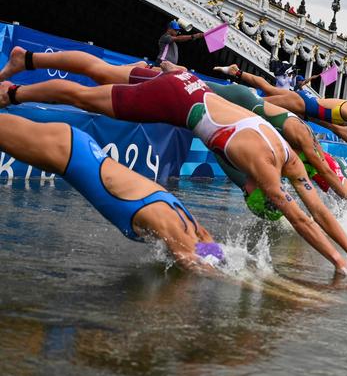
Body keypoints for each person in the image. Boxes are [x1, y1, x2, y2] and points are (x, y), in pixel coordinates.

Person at [0, 47, 347, 277]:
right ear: (259, 187)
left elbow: (316, 214)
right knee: (85, 98)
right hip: (177, 100)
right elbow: (302, 219)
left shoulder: (286, 153)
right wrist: (341, 265)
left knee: (100, 74)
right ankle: (12, 94)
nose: (246, 192)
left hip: (192, 86)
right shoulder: (262, 167)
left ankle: (29, 61)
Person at [0, 113, 224, 274]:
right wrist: (244, 286)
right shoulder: (175, 228)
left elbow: (213, 250)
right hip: (68, 153)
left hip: (76, 150)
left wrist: (229, 267)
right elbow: (192, 265)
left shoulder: (195, 228)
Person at [214, 64, 347, 181]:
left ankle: (236, 73)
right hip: (303, 104)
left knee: (268, 89)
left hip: (307, 109)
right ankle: (227, 93)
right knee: (258, 101)